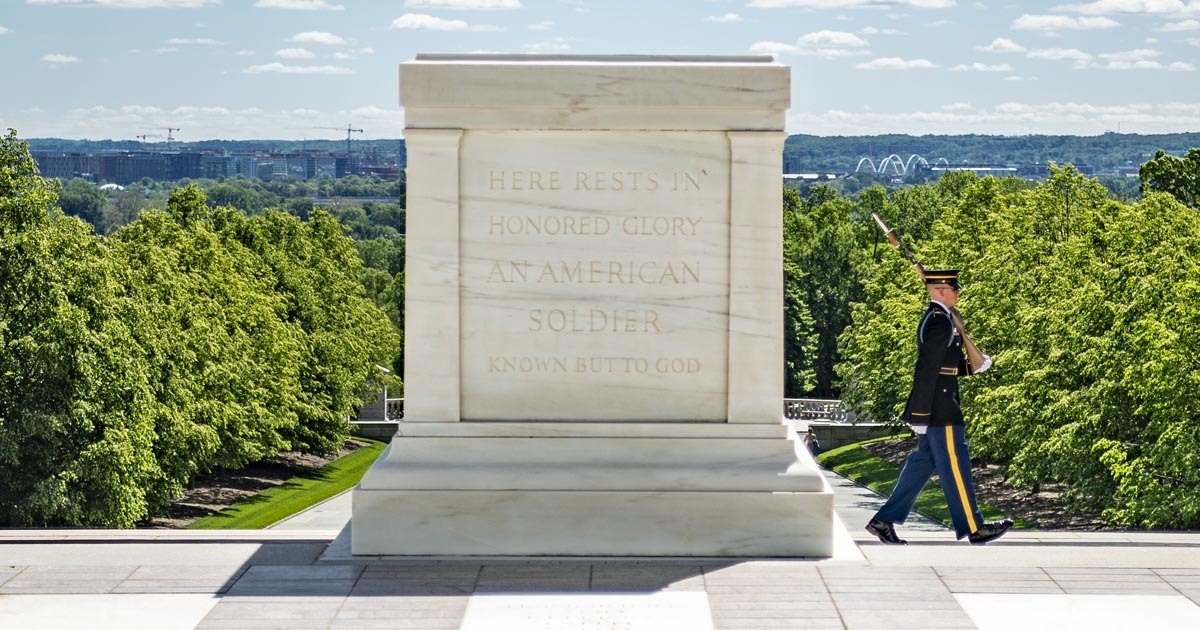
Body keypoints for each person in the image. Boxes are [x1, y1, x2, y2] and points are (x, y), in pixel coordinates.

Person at [865, 269, 1014, 545]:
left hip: (940, 404)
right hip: (940, 410)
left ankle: (884, 520)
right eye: (955, 289)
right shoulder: (938, 322)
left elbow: (946, 367)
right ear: (942, 291)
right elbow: (926, 370)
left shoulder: (944, 320)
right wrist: (919, 413)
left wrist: (974, 365)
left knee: (922, 463)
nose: (958, 293)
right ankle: (974, 526)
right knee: (956, 465)